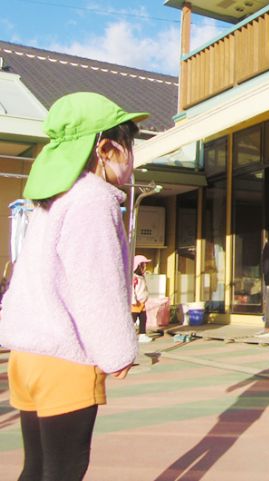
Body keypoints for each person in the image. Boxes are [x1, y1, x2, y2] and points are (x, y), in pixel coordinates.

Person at [0, 92, 145, 480]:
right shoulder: (93, 199)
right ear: (106, 148)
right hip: (64, 359)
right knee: (65, 470)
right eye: (129, 146)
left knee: (37, 468)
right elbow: (96, 283)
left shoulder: (52, 200)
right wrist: (118, 351)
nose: (132, 158)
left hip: (26, 356)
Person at [132, 255, 153, 343]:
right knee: (132, 319)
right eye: (143, 265)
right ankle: (127, 335)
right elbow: (131, 289)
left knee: (143, 318)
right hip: (135, 303)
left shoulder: (141, 277)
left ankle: (142, 335)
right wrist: (133, 300)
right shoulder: (134, 277)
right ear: (137, 266)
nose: (145, 267)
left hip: (142, 302)